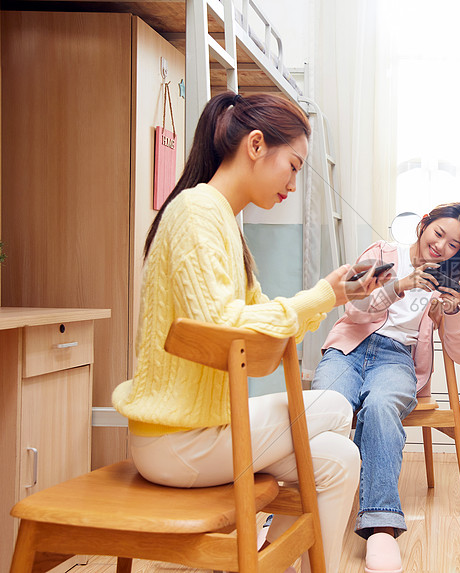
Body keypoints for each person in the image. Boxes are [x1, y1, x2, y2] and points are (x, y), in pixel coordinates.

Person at [112, 91, 384, 573]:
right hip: (178, 438)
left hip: (206, 427)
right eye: (294, 166)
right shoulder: (198, 212)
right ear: (256, 145)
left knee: (341, 459)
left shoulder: (223, 221)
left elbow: (262, 324)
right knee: (338, 405)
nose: (294, 184)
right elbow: (222, 326)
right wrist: (322, 295)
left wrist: (334, 295)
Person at [311, 202, 460, 573]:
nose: (442, 248)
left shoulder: (443, 283)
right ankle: (298, 515)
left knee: (382, 406)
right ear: (423, 226)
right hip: (349, 349)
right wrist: (399, 285)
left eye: (454, 245)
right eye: (439, 234)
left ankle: (380, 525)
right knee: (327, 408)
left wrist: (450, 313)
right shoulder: (382, 254)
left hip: (396, 359)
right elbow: (354, 310)